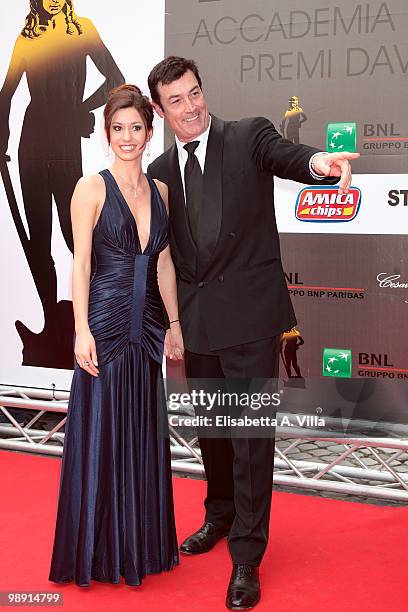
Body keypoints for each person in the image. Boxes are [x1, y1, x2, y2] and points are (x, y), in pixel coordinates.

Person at [147, 56, 359, 610]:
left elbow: (290, 157)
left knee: (250, 439)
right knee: (214, 433)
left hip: (250, 319)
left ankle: (247, 554)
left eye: (195, 93)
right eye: (177, 100)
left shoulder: (247, 136)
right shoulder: (163, 171)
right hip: (198, 324)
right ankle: (218, 518)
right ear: (160, 109)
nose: (191, 107)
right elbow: (166, 253)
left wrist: (321, 163)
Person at [48, 84, 184, 587]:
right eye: (118, 128)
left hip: (147, 324)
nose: (128, 137)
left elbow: (164, 263)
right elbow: (80, 263)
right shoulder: (92, 187)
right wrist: (80, 328)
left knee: (142, 428)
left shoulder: (162, 191)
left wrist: (173, 324)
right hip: (103, 322)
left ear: (151, 133)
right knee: (102, 428)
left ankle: (139, 545)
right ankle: (98, 550)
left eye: (137, 128)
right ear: (107, 134)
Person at [0, 0, 125, 368]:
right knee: (37, 238)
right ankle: (49, 324)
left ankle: (87, 322)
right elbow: (6, 92)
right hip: (32, 142)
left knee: (76, 238)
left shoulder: (82, 28)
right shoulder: (28, 35)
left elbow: (115, 79)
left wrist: (80, 109)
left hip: (66, 144)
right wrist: (1, 141)